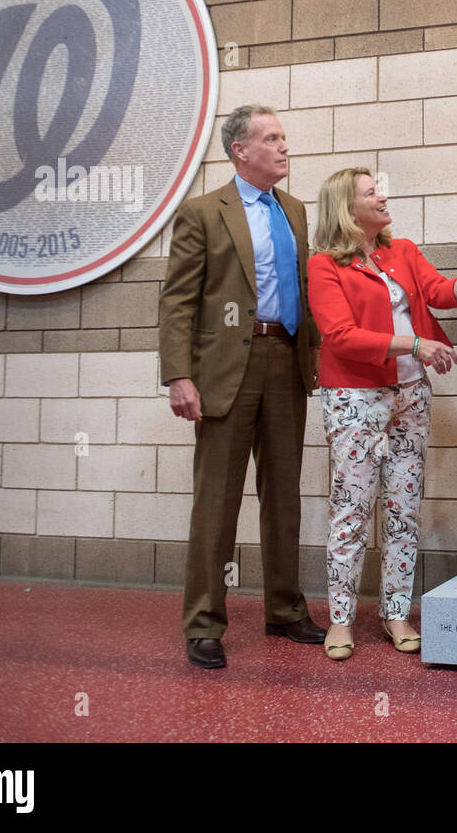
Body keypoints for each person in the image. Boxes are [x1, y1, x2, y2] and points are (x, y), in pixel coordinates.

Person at [159, 104, 325, 670]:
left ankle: (284, 608)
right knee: (217, 499)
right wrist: (179, 375)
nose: (284, 147)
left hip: (287, 361)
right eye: (272, 138)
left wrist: (320, 358)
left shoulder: (296, 211)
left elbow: (306, 290)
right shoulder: (203, 212)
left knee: (284, 496)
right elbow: (178, 300)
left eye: (284, 137)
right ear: (240, 150)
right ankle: (204, 623)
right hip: (226, 368)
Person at [308, 167, 457, 661]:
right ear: (347, 210)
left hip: (411, 395)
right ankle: (341, 620)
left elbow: (436, 292)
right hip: (355, 398)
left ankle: (396, 613)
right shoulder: (325, 265)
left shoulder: (403, 250)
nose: (383, 196)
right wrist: (415, 343)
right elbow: (341, 336)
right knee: (352, 509)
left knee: (404, 509)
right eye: (371, 193)